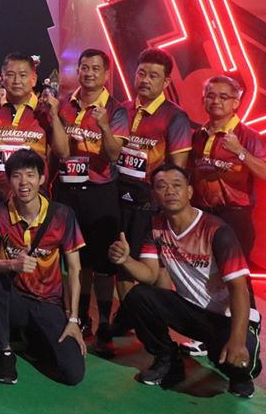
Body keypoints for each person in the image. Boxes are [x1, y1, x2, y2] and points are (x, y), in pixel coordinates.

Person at [108, 163, 262, 398]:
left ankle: (241, 376)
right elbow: (150, 274)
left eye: (177, 185)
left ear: (189, 191)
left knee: (240, 363)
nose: (170, 191)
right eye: (162, 186)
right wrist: (125, 260)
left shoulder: (217, 231)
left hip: (228, 317)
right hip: (190, 311)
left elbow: (239, 289)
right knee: (139, 296)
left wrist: (238, 340)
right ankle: (168, 359)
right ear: (154, 195)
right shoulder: (156, 227)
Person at [0, 148, 86, 386]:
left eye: (30, 175)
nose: (23, 182)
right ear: (9, 180)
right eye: (16, 176)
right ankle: (5, 350)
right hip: (14, 299)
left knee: (73, 374)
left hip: (48, 302)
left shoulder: (63, 215)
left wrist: (73, 320)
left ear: (42, 178)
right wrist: (13, 264)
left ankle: (33, 340)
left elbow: (74, 270)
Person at [54, 49, 128, 354]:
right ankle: (80, 316)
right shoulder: (64, 103)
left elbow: (113, 154)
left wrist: (105, 126)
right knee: (76, 259)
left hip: (100, 191)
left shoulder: (116, 109)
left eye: (96, 68)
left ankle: (105, 323)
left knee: (104, 263)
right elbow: (59, 150)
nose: (89, 73)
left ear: (106, 74)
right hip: (68, 190)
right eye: (84, 67)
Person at [113, 48, 191, 331]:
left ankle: (158, 323)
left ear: (166, 81)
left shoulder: (175, 116)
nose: (145, 80)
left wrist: (165, 202)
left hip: (150, 203)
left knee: (155, 266)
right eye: (141, 73)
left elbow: (177, 168)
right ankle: (129, 317)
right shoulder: (121, 109)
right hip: (118, 196)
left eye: (154, 76)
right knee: (120, 261)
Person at [0, 53, 68, 212]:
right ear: (2, 78)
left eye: (23, 75)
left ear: (34, 79)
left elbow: (63, 153)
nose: (16, 81)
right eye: (10, 75)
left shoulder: (46, 112)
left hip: (34, 200)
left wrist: (54, 116)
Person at [189, 75, 266, 259]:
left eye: (223, 97)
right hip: (200, 214)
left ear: (236, 103)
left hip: (234, 216)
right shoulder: (197, 135)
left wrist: (240, 152)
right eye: (211, 96)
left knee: (234, 274)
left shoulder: (249, 136)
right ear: (203, 100)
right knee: (201, 272)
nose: (216, 101)